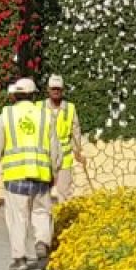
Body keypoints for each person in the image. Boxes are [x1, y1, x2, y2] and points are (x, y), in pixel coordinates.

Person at [0, 77, 58, 270]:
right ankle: (42, 242)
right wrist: (54, 171)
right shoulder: (45, 115)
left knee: (17, 218)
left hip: (15, 176)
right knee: (41, 213)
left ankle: (20, 259)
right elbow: (55, 147)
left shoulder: (7, 115)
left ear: (15, 96)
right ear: (33, 95)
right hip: (41, 175)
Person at [46, 75, 88, 203]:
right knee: (42, 193)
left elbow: (76, 131)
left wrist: (77, 152)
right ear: (48, 89)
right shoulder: (39, 107)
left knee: (64, 192)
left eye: (58, 89)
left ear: (62, 90)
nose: (56, 91)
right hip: (45, 156)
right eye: (53, 88)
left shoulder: (70, 108)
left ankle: (63, 214)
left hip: (64, 157)